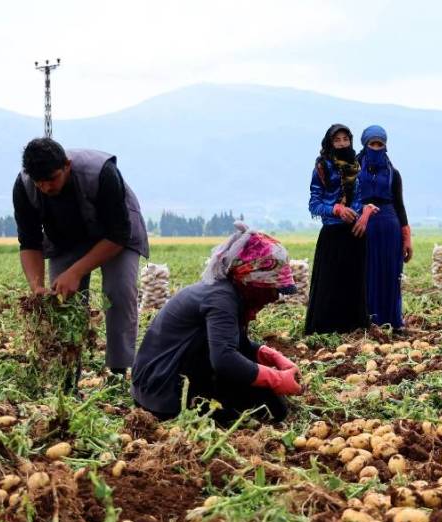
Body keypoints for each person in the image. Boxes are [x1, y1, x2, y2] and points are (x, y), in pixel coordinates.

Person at [132, 222, 302, 424]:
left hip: (159, 381)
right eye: (273, 287)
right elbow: (225, 359)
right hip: (162, 391)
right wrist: (275, 379)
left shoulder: (225, 291)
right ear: (252, 280)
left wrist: (271, 356)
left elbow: (233, 343)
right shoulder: (221, 298)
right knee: (271, 408)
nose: (275, 296)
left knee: (270, 402)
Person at [12, 138, 150, 374]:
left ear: (67, 165)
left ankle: (119, 371)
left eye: (52, 179)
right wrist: (36, 286)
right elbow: (29, 241)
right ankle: (67, 376)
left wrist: (76, 271)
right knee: (62, 301)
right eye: (39, 182)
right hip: (66, 237)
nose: (46, 187)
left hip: (115, 235)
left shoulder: (102, 173)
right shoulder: (25, 187)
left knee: (118, 292)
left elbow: (118, 234)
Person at [304, 124, 369, 334]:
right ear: (330, 143)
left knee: (353, 283)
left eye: (345, 139)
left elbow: (360, 198)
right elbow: (314, 204)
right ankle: (326, 330)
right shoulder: (323, 167)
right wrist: (337, 209)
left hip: (353, 234)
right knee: (329, 285)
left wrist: (357, 213)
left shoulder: (356, 165)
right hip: (332, 234)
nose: (342, 143)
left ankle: (353, 330)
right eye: (337, 140)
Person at [354, 125, 412, 330]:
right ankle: (368, 320)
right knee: (367, 273)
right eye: (373, 144)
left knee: (390, 273)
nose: (376, 148)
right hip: (363, 226)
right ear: (365, 144)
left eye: (380, 144)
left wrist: (407, 237)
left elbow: (400, 205)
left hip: (389, 225)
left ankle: (393, 321)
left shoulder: (393, 173)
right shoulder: (354, 170)